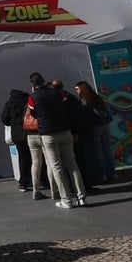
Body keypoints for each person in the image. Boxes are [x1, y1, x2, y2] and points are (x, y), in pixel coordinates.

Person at [29, 73, 86, 209]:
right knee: (72, 164)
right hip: (64, 130)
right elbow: (66, 108)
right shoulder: (58, 92)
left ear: (32, 85)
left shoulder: (32, 98)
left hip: (47, 134)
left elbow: (33, 114)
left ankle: (66, 199)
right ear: (43, 80)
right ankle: (81, 196)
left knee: (56, 167)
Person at [75, 81, 117, 184]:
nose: (76, 91)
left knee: (98, 151)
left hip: (95, 126)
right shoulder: (96, 97)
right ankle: (111, 173)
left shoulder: (84, 100)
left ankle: (102, 174)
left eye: (77, 89)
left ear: (82, 88)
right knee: (107, 149)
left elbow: (85, 115)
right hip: (104, 124)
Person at [0, 89, 34, 192]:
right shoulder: (27, 100)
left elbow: (4, 119)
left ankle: (23, 183)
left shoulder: (9, 103)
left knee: (23, 159)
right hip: (31, 132)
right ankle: (41, 180)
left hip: (18, 135)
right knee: (36, 158)